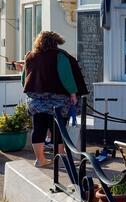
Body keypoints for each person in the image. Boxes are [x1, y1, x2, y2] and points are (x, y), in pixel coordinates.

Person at [22, 31, 88, 168]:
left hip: (37, 100)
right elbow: (67, 77)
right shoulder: (60, 56)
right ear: (55, 42)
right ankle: (60, 160)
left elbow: (24, 78)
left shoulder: (30, 56)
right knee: (59, 129)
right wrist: (73, 94)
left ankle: (40, 160)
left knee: (38, 129)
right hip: (59, 100)